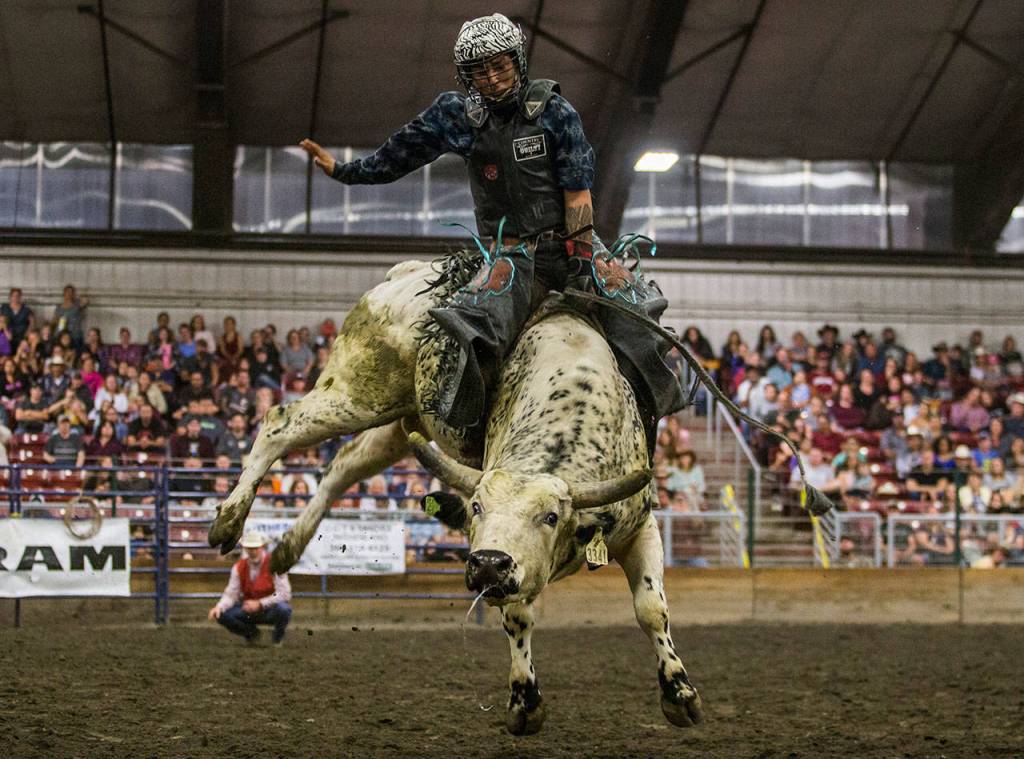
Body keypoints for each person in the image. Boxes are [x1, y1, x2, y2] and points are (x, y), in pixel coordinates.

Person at [299, 12, 682, 448]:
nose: (492, 78)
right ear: (466, 77)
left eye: (500, 65)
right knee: (474, 332)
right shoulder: (455, 116)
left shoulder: (555, 112)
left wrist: (580, 262)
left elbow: (578, 195)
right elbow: (397, 156)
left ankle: (642, 435)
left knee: (639, 322)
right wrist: (344, 171)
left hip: (574, 245)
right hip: (511, 256)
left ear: (518, 62)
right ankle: (474, 438)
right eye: (479, 71)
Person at [208, 532, 292, 646]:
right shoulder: (238, 567)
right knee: (221, 614)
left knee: (284, 609)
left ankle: (277, 638)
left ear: (262, 547)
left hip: (270, 609)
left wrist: (259, 603)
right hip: (248, 609)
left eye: (255, 548)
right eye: (250, 548)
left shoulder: (276, 564)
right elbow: (231, 594)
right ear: (245, 549)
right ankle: (252, 633)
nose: (252, 551)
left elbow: (284, 593)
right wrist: (219, 607)